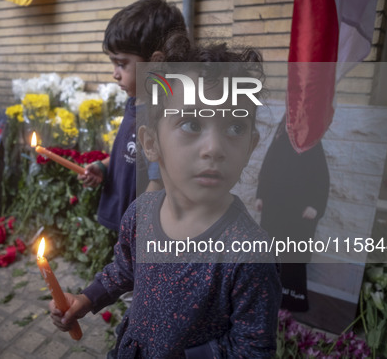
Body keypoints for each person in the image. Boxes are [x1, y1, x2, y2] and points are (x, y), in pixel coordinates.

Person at [51, 40, 282, 357]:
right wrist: (86, 299)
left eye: (234, 127)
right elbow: (124, 268)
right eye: (191, 123)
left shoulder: (248, 256)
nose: (214, 147)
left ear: (250, 146)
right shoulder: (142, 212)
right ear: (151, 144)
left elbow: (253, 349)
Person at [78, 0, 187, 232]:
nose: (115, 74)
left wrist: (138, 224)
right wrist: (104, 167)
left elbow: (158, 178)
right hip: (126, 221)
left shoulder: (165, 116)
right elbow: (131, 154)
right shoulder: (136, 102)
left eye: (121, 64)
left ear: (155, 63)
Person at [255, 115, 330, 311]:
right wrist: (260, 196)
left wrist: (315, 206)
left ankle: (292, 300)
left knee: (294, 256)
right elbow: (266, 170)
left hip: (299, 215)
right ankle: (264, 294)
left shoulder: (312, 146)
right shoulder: (278, 142)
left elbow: (321, 179)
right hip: (274, 211)